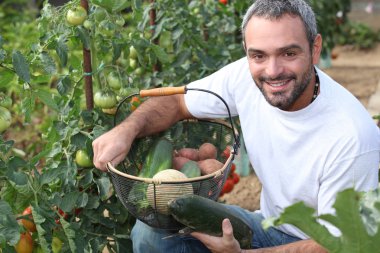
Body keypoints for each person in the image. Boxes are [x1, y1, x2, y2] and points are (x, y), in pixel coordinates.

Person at [92, 0, 380, 252]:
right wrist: (126, 130)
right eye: (258, 55)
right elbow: (177, 102)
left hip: (317, 242)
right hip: (269, 226)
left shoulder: (351, 136)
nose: (272, 70)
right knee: (153, 234)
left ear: (315, 49)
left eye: (289, 53)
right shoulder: (244, 76)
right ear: (246, 51)